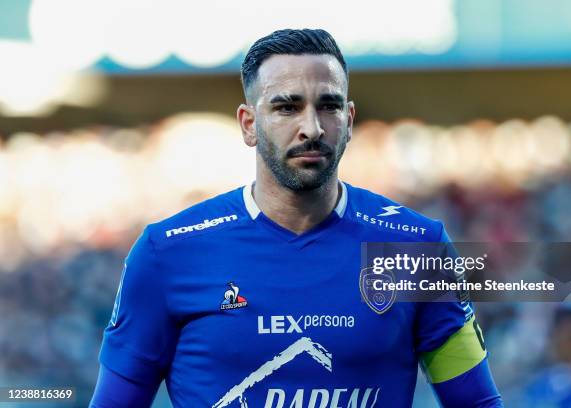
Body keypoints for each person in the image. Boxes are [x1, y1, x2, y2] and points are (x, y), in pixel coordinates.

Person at [90, 28, 503, 407]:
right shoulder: (168, 254)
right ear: (249, 125)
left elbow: (477, 403)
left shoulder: (418, 247)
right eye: (287, 107)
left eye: (328, 106)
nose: (311, 127)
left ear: (349, 120)